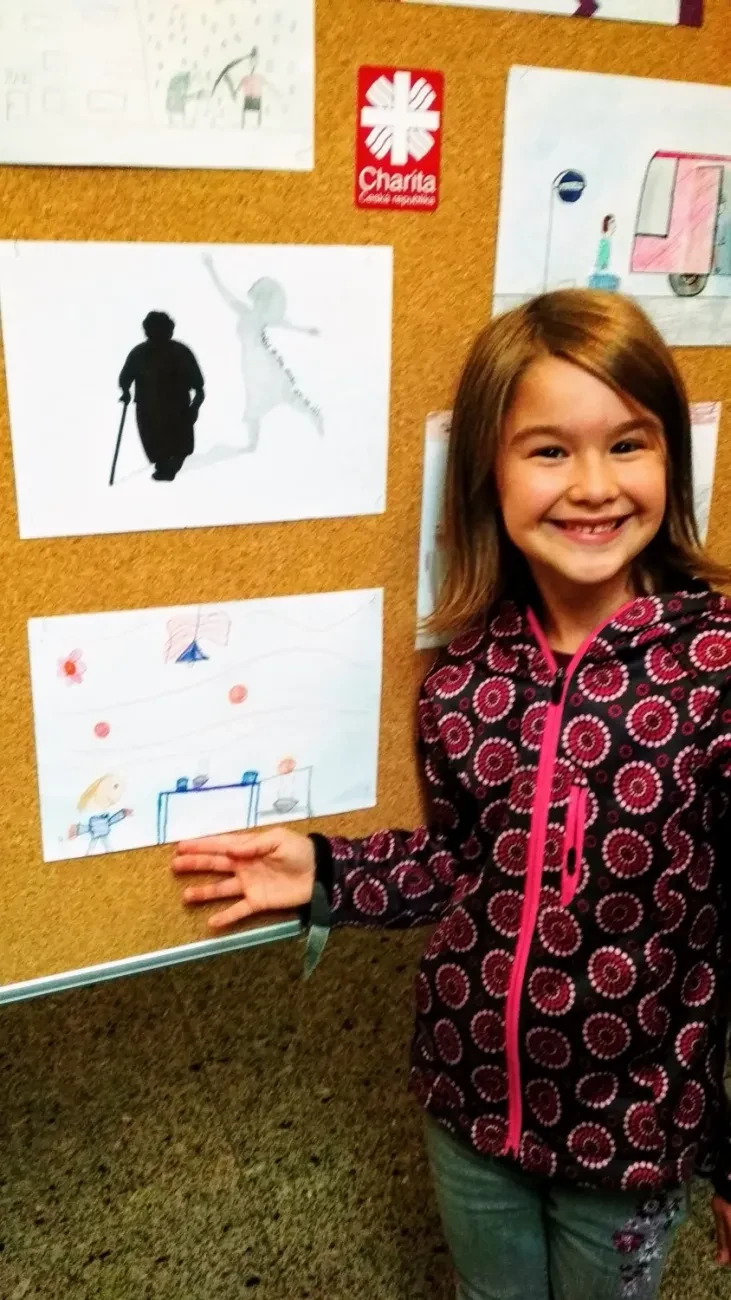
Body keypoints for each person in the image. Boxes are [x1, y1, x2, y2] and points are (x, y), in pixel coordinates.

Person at [171, 289, 731, 1298]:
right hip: (467, 1106)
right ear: (488, 470)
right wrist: (326, 871)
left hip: (634, 1131)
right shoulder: (465, 678)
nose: (592, 485)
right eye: (548, 450)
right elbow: (461, 864)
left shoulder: (715, 667)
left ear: (670, 459)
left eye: (627, 444)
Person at [202, 253, 323, 452]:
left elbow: (286, 324)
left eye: (260, 298)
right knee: (257, 397)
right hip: (250, 363)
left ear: (265, 301)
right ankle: (253, 444)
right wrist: (211, 269)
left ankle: (313, 416)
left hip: (261, 360)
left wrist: (306, 330)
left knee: (278, 393)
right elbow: (224, 293)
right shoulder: (244, 311)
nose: (256, 301)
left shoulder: (263, 317)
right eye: (257, 298)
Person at [119, 311, 205, 482]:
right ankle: (166, 468)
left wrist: (194, 408)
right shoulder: (140, 353)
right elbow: (125, 378)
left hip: (174, 409)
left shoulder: (179, 352)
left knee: (175, 447)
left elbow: (199, 387)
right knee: (160, 447)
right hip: (150, 410)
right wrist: (126, 391)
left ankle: (168, 468)